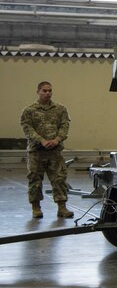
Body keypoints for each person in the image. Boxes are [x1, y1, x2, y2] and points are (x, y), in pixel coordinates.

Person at [20, 81, 74, 219]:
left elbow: (64, 125)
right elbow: (27, 129)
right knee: (35, 180)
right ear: (38, 92)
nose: (47, 93)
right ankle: (36, 208)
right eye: (44, 91)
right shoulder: (29, 110)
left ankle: (62, 207)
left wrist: (57, 139)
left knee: (59, 179)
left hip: (54, 152)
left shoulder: (60, 109)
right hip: (36, 152)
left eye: (50, 90)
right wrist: (41, 140)